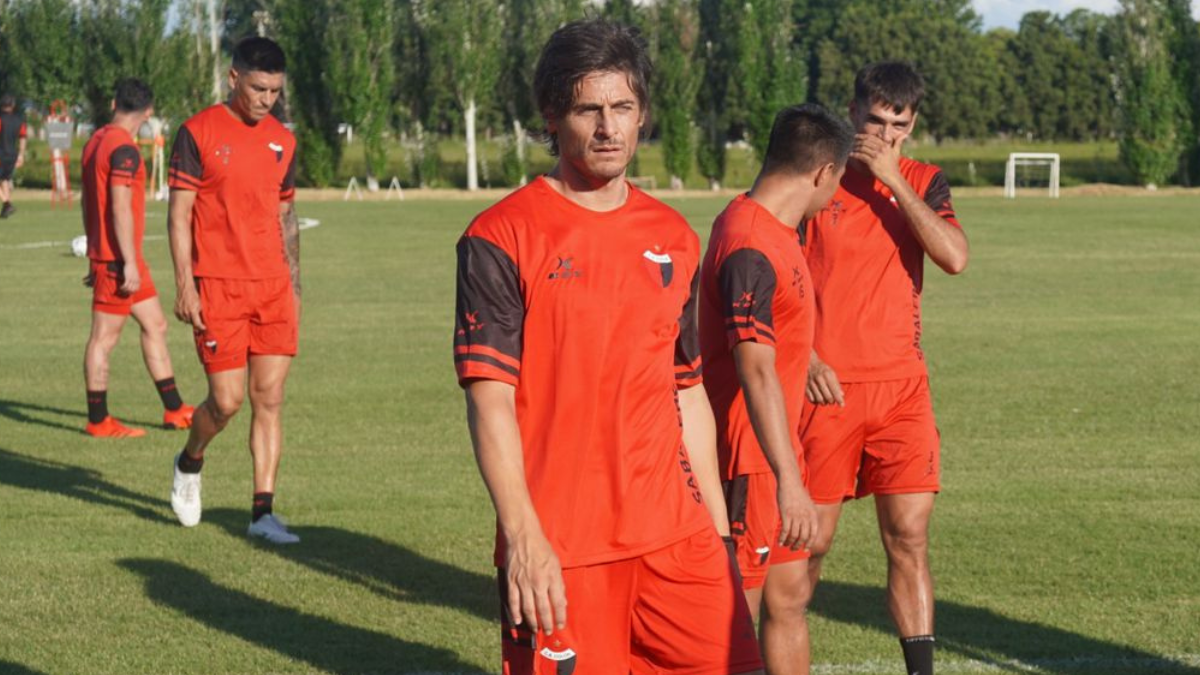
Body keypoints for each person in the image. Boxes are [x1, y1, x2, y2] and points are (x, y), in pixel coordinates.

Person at [454, 18, 763, 675]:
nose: (607, 128)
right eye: (587, 109)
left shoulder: (675, 235)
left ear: (643, 114)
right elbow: (490, 403)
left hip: (678, 542)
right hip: (562, 549)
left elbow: (687, 392)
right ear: (551, 116)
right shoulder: (500, 236)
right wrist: (524, 535)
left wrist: (715, 531)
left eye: (622, 107)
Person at [799, 61, 969, 675]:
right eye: (874, 119)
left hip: (902, 394)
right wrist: (807, 355)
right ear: (852, 113)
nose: (884, 133)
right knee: (809, 547)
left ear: (912, 124)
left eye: (898, 124)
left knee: (909, 540)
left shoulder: (923, 179)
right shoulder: (816, 178)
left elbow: (953, 257)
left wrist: (895, 180)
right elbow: (773, 274)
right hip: (826, 393)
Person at [700, 104, 853, 675]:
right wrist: (790, 481)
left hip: (777, 456)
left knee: (790, 598)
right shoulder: (748, 242)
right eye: (836, 182)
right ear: (823, 173)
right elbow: (754, 368)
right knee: (734, 618)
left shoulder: (776, 232)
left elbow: (773, 330)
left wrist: (806, 356)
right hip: (751, 461)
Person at [166, 36, 301, 545]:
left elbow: (286, 217)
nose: (267, 99)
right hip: (218, 287)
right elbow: (179, 215)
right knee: (226, 402)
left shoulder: (283, 141)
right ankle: (189, 460)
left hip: (272, 289)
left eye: (275, 91)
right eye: (259, 88)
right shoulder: (197, 133)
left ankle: (262, 513)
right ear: (233, 78)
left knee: (270, 398)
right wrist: (185, 285)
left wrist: (295, 286)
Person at [80, 78, 195, 438]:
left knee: (156, 325)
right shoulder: (125, 151)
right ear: (148, 113)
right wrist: (125, 261)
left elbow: (90, 202)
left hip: (118, 257)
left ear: (114, 102)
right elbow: (119, 207)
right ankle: (99, 420)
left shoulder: (95, 141)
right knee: (103, 339)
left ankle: (174, 409)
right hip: (119, 261)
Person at [0, 93, 27, 219]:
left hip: (1, 153)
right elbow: (23, 138)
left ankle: (6, 202)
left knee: (3, 179)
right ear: (13, 105)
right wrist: (21, 155)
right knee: (4, 179)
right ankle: (6, 208)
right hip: (13, 155)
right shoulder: (19, 121)